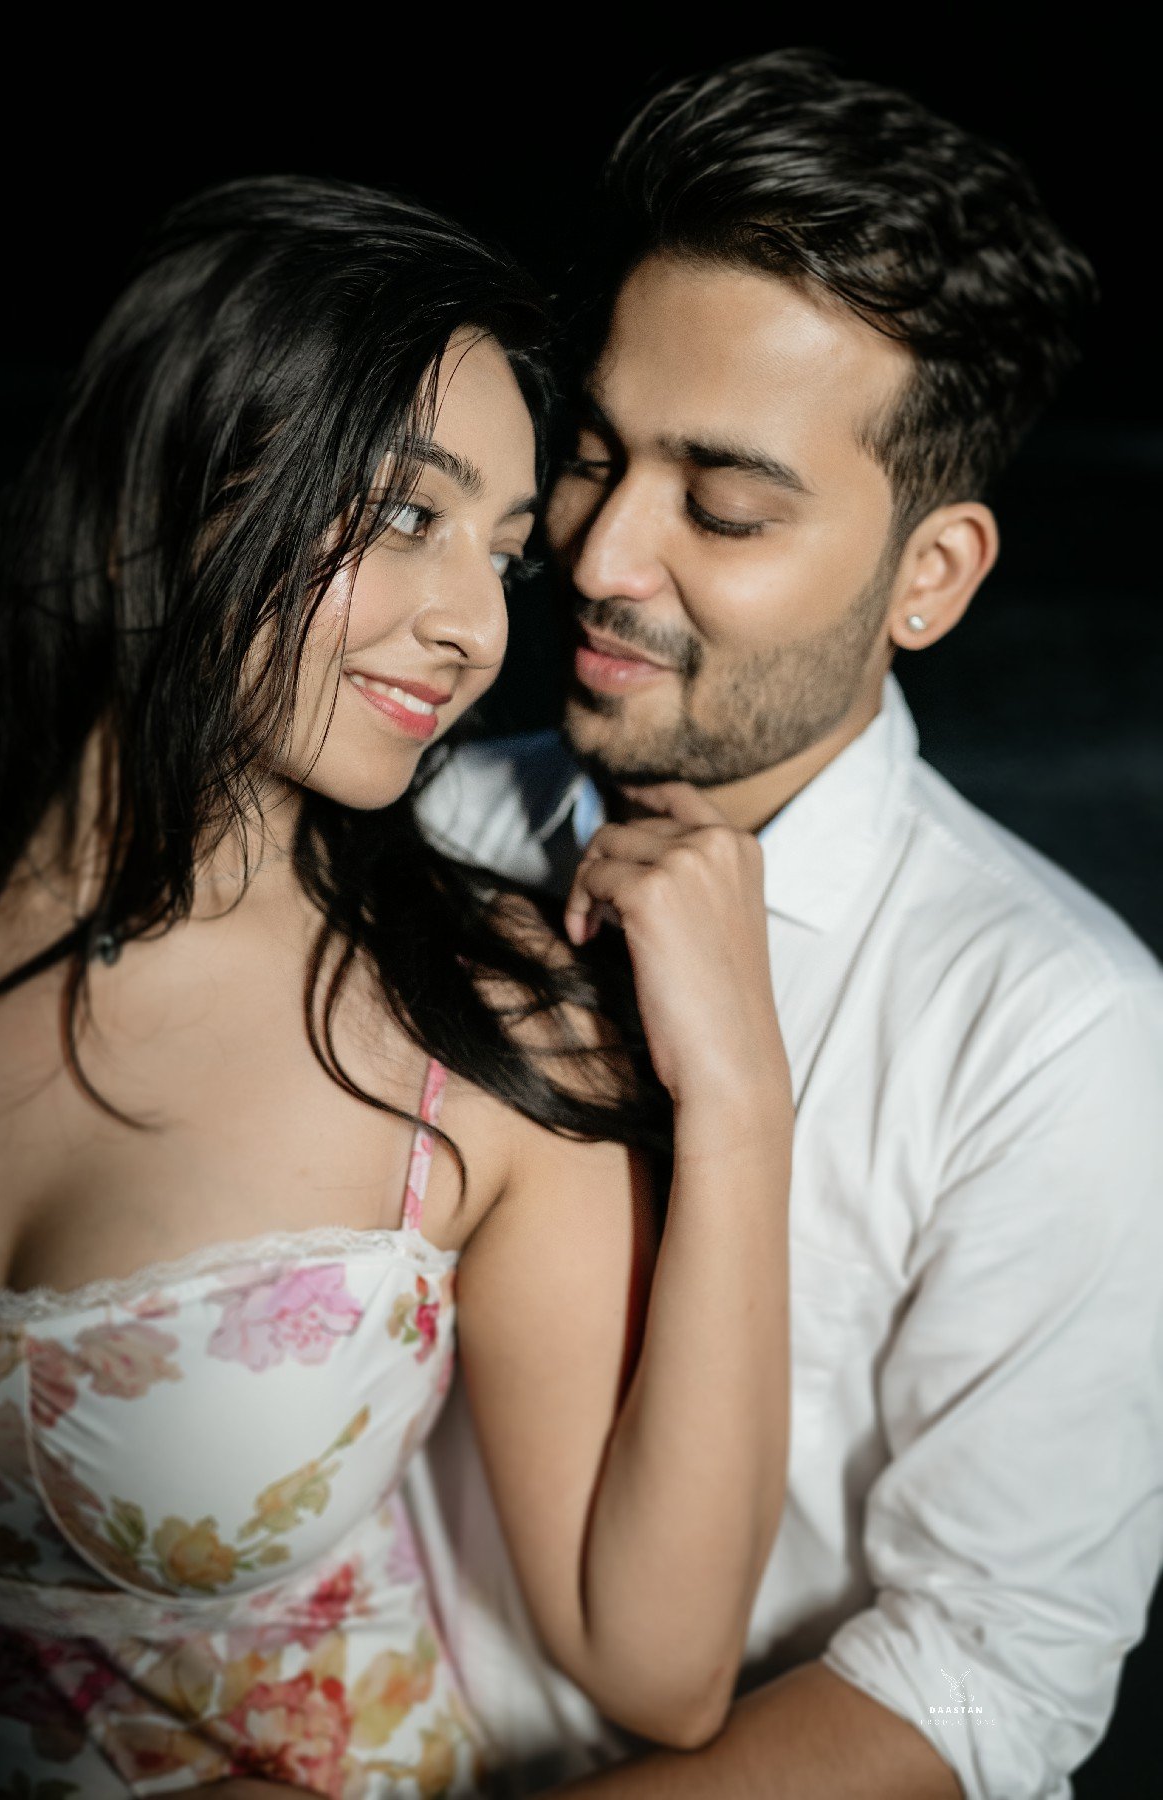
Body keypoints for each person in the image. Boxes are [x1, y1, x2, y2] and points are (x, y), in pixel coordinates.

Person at [0, 177, 796, 1797]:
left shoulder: (468, 1028)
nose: (474, 629)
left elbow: (662, 1668)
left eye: (503, 555)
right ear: (175, 476)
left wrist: (743, 1105)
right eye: (406, 514)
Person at [408, 50, 1163, 1800]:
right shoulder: (420, 828)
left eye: (728, 509)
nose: (600, 558)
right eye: (594, 458)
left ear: (931, 577)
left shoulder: (1053, 1030)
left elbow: (993, 1671)